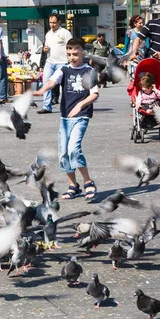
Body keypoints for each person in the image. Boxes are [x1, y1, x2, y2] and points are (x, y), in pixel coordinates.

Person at [32, 38, 99, 200]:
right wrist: (42, 90)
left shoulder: (89, 71)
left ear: (83, 52)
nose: (72, 57)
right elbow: (52, 81)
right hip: (65, 118)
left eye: (75, 54)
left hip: (81, 116)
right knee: (63, 153)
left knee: (74, 149)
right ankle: (73, 186)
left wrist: (80, 105)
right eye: (69, 54)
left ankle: (88, 182)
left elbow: (95, 94)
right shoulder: (64, 69)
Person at [38, 13, 72, 114]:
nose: (52, 25)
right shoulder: (48, 34)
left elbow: (71, 46)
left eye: (54, 23)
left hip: (62, 63)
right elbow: (46, 47)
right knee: (46, 84)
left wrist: (71, 60)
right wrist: (45, 49)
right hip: (50, 62)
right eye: (50, 23)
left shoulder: (65, 33)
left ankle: (68, 106)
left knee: (65, 86)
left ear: (59, 22)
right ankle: (47, 107)